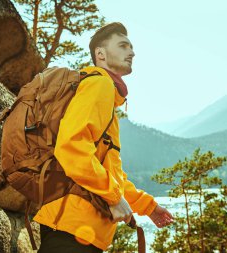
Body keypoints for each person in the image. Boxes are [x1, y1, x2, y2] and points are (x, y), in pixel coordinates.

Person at [33, 22, 174, 253]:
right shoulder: (99, 84)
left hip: (81, 230)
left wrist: (148, 206)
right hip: (71, 229)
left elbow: (111, 176)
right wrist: (114, 198)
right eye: (123, 45)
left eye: (131, 47)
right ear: (100, 54)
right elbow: (71, 146)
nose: (132, 52)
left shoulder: (106, 98)